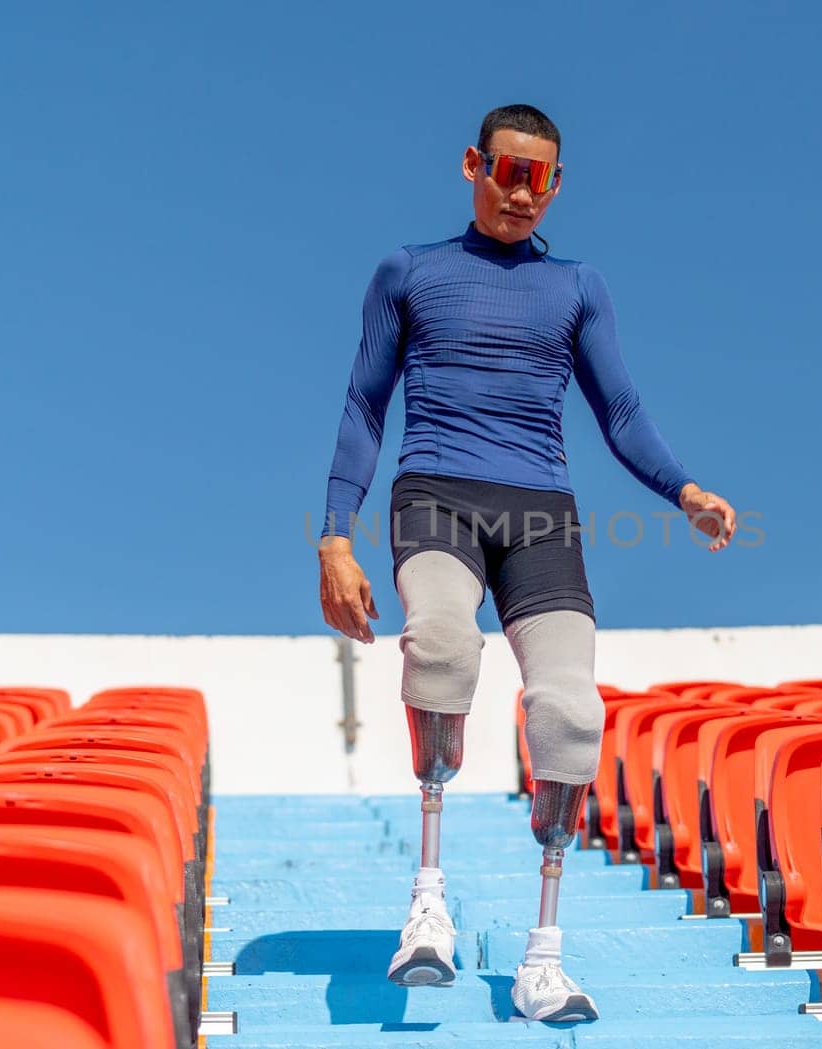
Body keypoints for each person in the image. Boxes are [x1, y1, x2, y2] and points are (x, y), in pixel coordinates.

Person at [316, 103, 737, 1023]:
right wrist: (335, 534)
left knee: (570, 711)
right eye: (509, 170)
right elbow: (363, 403)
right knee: (439, 643)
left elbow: (620, 413)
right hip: (436, 493)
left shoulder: (578, 287)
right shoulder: (411, 272)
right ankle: (427, 903)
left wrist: (685, 491)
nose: (522, 192)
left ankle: (542, 956)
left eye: (541, 178)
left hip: (541, 509)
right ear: (473, 163)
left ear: (557, 185)